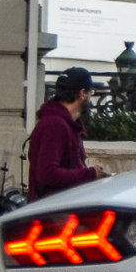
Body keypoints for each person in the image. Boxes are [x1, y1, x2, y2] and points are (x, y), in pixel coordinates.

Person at [28, 67, 105, 202]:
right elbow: (47, 173)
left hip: (62, 207)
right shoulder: (55, 125)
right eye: (90, 92)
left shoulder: (65, 124)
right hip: (54, 212)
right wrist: (90, 174)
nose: (90, 97)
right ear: (82, 94)